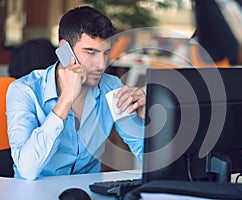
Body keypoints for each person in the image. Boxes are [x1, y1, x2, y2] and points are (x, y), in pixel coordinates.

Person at [6, 6, 145, 180]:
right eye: (91, 52)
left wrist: (149, 121)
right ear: (65, 50)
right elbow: (27, 170)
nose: (101, 65)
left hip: (86, 193)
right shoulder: (24, 90)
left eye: (106, 53)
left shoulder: (112, 88)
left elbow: (148, 156)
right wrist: (65, 100)